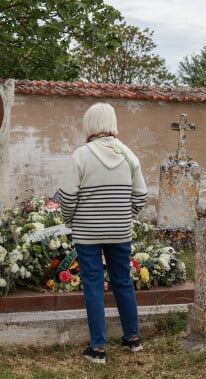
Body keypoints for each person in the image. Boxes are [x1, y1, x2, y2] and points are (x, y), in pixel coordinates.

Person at [56, 102, 148, 364]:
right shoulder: (129, 156)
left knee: (94, 285)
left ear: (90, 125)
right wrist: (125, 214)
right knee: (123, 281)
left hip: (87, 232)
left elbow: (68, 196)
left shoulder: (81, 155)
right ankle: (133, 338)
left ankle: (98, 348)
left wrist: (69, 219)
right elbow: (141, 195)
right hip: (120, 231)